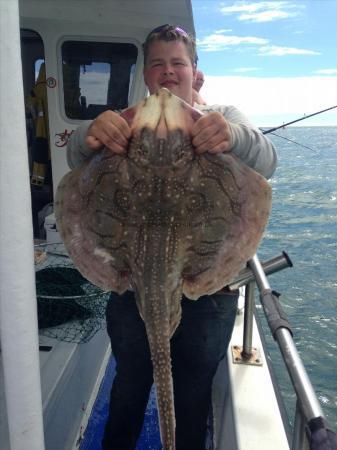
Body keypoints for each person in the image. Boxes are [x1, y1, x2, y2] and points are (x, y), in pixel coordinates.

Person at [67, 24, 277, 450]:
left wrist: (229, 135)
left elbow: (266, 162)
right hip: (134, 278)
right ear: (146, 74)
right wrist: (89, 133)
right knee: (130, 383)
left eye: (177, 63)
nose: (168, 72)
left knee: (193, 390)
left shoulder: (223, 114)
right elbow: (77, 159)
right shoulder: (123, 121)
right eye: (158, 64)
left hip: (209, 285)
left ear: (194, 72)